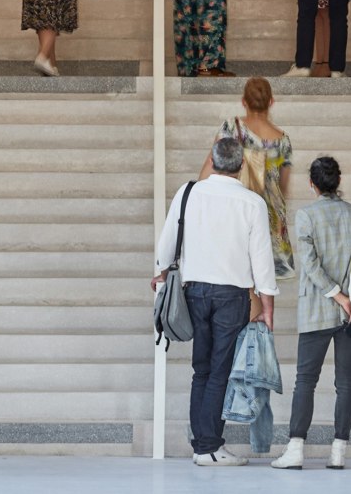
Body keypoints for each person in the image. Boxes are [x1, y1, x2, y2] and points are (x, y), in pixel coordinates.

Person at [152, 136, 278, 467]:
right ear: (240, 165)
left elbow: (168, 240)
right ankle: (209, 446)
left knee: (201, 370)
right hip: (231, 296)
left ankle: (203, 445)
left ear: (212, 159)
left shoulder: (188, 192)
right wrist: (267, 306)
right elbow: (262, 259)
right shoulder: (252, 203)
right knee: (220, 370)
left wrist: (161, 273)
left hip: (194, 291)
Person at [271, 156, 351, 472]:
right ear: (338, 182)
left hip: (318, 309)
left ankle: (295, 451)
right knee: (346, 381)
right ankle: (338, 452)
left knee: (305, 380)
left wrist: (338, 297)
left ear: (312, 184)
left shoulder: (306, 216)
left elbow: (310, 264)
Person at [199, 77, 294, 281]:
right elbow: (283, 186)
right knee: (266, 281)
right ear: (271, 102)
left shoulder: (231, 127)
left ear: (244, 101)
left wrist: (200, 198)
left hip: (237, 211)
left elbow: (209, 166)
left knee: (241, 276)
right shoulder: (283, 140)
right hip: (270, 217)